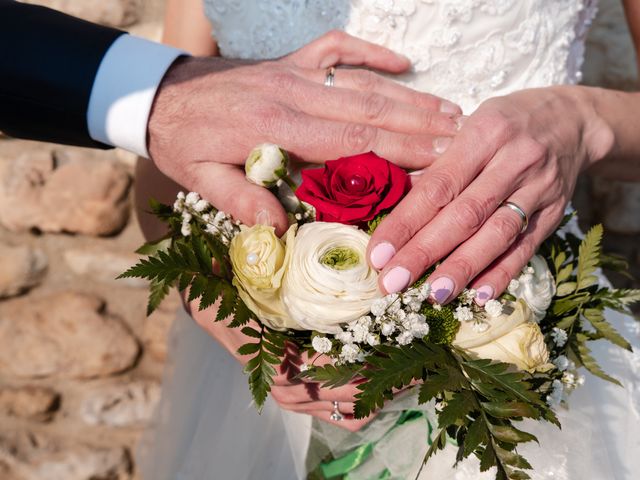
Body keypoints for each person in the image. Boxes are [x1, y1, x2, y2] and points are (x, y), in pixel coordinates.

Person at [136, 0, 640, 479]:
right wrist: (217, 310)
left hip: (504, 339)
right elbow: (162, 164)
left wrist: (581, 122)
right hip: (267, 367)